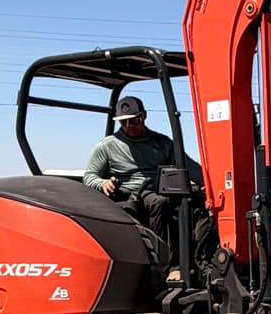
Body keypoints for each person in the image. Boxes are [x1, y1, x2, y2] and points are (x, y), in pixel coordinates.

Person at [81, 95, 200, 238]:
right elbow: (89, 176)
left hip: (156, 189)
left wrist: (208, 185)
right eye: (123, 122)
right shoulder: (107, 146)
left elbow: (189, 166)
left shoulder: (162, 142)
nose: (128, 126)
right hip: (128, 194)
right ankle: (157, 251)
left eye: (133, 120)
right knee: (159, 202)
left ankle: (197, 254)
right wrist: (103, 183)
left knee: (197, 201)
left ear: (143, 116)